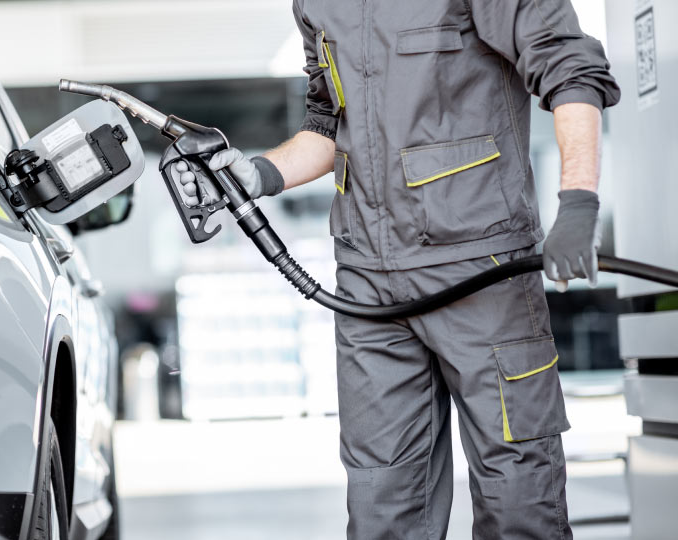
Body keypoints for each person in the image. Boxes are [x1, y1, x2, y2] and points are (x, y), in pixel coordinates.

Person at [179, 1, 619, 538]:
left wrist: (578, 201)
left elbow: (569, 67)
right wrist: (261, 173)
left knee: (518, 497)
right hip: (368, 285)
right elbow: (327, 124)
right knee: (382, 506)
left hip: (481, 267)